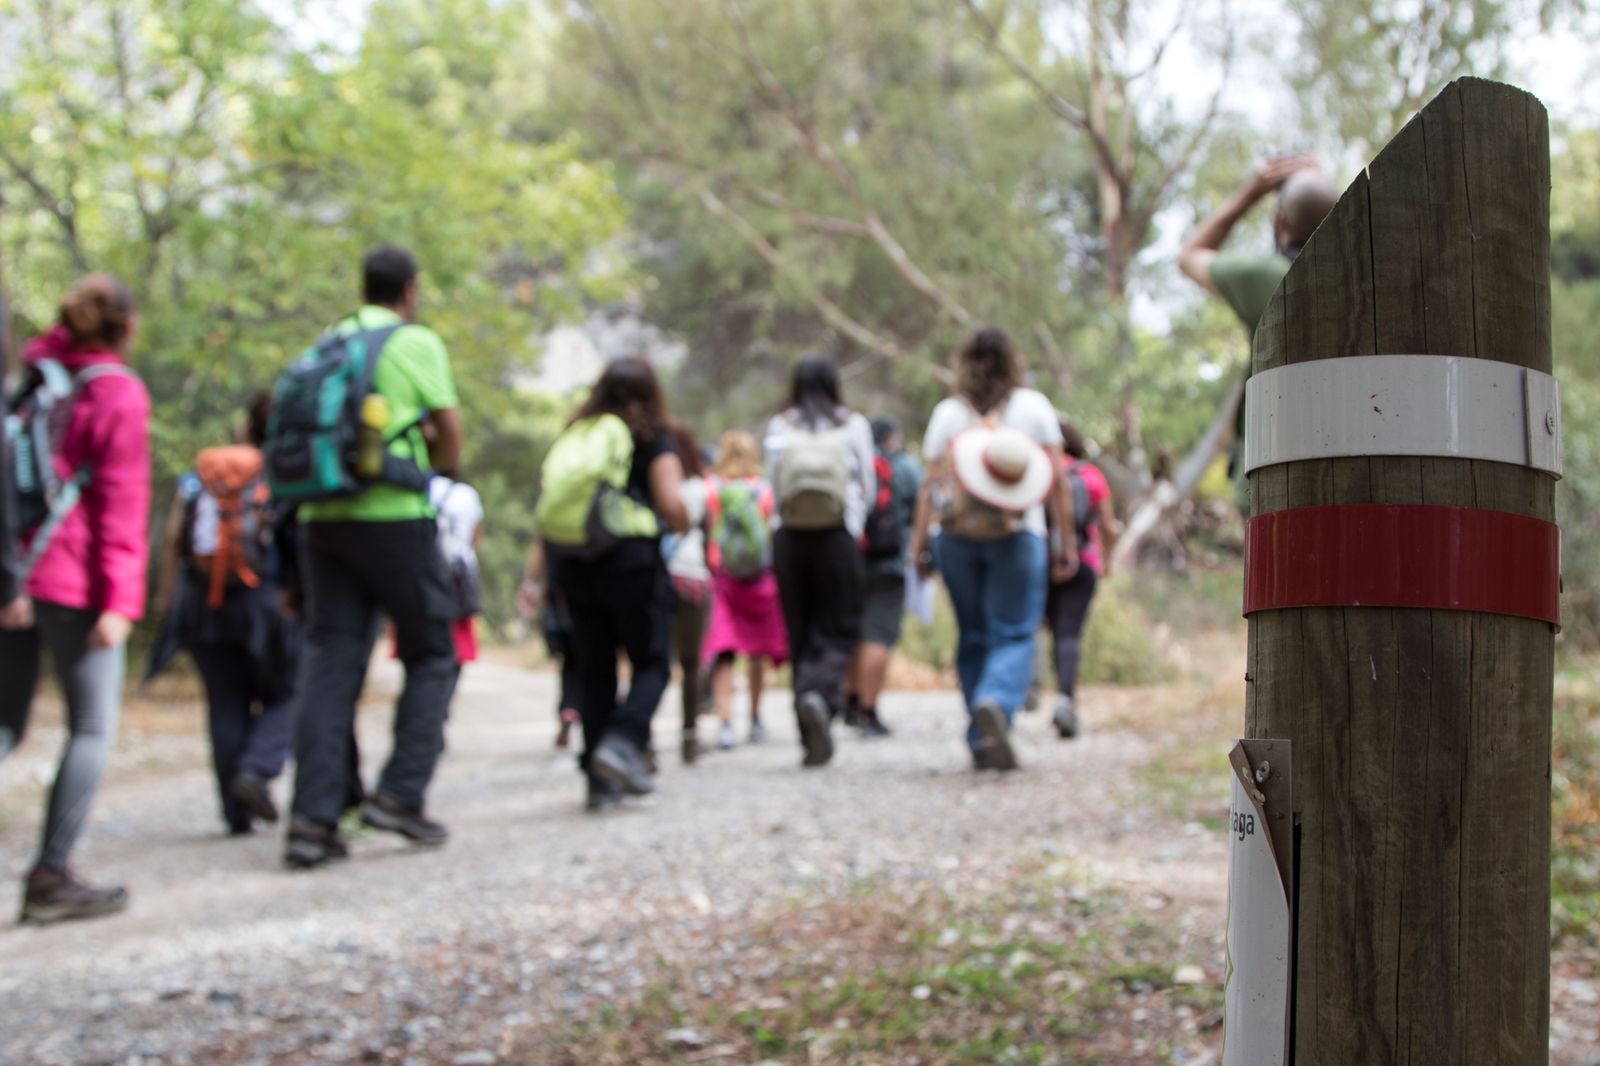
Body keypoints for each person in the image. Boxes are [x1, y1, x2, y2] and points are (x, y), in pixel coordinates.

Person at [285, 245, 464, 869]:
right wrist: (426, 462)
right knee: (433, 652)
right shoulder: (414, 343)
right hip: (393, 519)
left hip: (320, 518)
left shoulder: (329, 340)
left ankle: (311, 821)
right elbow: (449, 442)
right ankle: (400, 794)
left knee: (330, 663)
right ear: (409, 290)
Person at [0, 275, 150, 922]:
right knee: (89, 726)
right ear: (124, 328)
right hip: (74, 580)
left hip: (12, 569)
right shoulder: (116, 393)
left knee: (6, 722)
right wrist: (120, 602)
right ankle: (51, 875)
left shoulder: (30, 382)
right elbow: (120, 504)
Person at [909, 327, 1076, 772]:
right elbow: (1057, 479)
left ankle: (981, 737)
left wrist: (917, 545)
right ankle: (995, 704)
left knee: (973, 633)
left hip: (955, 537)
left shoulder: (948, 413)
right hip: (1019, 535)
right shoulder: (1033, 407)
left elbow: (929, 485)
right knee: (1015, 631)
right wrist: (1066, 542)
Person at [535, 358, 688, 811]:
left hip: (573, 561)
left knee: (594, 667)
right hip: (630, 561)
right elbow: (671, 503)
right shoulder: (652, 436)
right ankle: (621, 743)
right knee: (653, 662)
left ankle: (598, 781)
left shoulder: (577, 430)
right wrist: (689, 518)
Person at [154, 393, 297, 835]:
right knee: (289, 692)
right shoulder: (282, 473)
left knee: (226, 702)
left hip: (201, 605)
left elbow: (175, 540)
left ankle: (235, 816)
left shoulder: (202, 475)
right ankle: (256, 770)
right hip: (266, 604)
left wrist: (167, 599)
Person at [1178, 157, 1338, 502]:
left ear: (1280, 221)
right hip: (1348, 471)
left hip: (1272, 472)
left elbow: (1190, 256)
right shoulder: (1357, 283)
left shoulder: (1267, 277)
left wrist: (1251, 193)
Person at [764, 355, 875, 768]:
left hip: (789, 537)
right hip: (837, 536)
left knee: (801, 629)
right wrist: (853, 525)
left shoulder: (781, 426)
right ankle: (821, 697)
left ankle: (807, 731)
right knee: (842, 626)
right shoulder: (853, 425)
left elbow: (771, 482)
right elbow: (866, 482)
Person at [700, 430, 789, 750]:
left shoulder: (712, 489)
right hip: (760, 578)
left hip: (722, 578)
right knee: (756, 652)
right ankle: (755, 719)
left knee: (724, 652)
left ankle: (725, 723)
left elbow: (707, 532)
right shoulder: (763, 490)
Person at [845, 415, 922, 738]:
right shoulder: (906, 467)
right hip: (891, 563)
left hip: (851, 560)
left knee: (853, 633)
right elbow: (923, 509)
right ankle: (868, 710)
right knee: (878, 635)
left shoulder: (853, 462)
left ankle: (848, 701)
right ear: (892, 436)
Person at [1044, 421, 1120, 740]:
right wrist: (1107, 560)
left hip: (1043, 563)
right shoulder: (1091, 476)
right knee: (1069, 632)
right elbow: (1108, 526)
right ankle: (1065, 700)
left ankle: (1037, 693)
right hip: (1084, 562)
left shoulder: (1039, 472)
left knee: (1050, 630)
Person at [665, 426, 711, 764]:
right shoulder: (699, 488)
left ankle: (642, 743)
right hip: (693, 575)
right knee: (691, 663)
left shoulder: (653, 484)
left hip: (659, 575)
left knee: (651, 660)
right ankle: (689, 737)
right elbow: (709, 537)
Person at [518, 537, 580, 749]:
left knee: (570, 662)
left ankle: (568, 710)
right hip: (591, 596)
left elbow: (538, 551)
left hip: (559, 596)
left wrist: (530, 584)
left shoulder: (554, 509)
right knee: (590, 663)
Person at [429, 472, 484, 677]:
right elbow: (475, 535)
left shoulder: (423, 488)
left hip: (428, 571)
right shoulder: (467, 494)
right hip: (461, 576)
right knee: (456, 645)